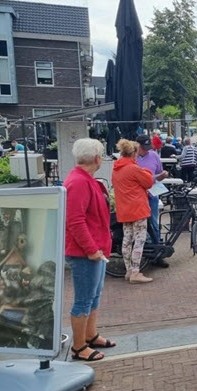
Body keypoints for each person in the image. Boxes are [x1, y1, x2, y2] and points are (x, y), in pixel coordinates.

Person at [64, 138, 116, 361]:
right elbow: (75, 221)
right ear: (96, 158)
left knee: (94, 295)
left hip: (96, 250)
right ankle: (78, 346)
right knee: (84, 299)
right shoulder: (79, 182)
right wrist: (91, 249)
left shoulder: (84, 179)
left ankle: (90, 334)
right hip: (86, 252)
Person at [112, 139, 154, 284]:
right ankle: (136, 272)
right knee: (139, 240)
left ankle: (129, 270)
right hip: (138, 209)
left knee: (127, 240)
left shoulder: (116, 169)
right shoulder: (133, 168)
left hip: (124, 209)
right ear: (133, 153)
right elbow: (148, 182)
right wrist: (146, 171)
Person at [136, 134, 169, 264]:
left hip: (152, 195)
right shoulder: (132, 158)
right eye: (143, 148)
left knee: (154, 223)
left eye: (147, 147)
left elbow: (159, 172)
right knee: (140, 224)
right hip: (138, 197)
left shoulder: (154, 155)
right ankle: (144, 252)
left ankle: (157, 252)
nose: (146, 150)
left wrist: (163, 175)